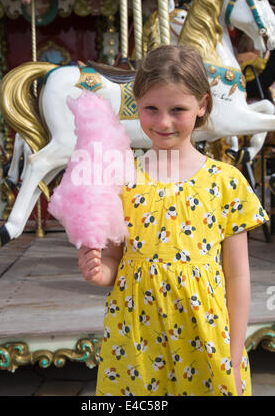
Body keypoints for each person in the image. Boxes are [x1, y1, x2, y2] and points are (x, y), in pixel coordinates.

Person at [78, 45, 269, 396]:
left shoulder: (225, 181)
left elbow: (238, 274)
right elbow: (114, 260)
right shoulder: (121, 179)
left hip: (205, 336)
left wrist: (235, 351)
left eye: (177, 109)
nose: (163, 122)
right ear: (136, 105)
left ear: (202, 106)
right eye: (151, 109)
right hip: (136, 338)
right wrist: (99, 271)